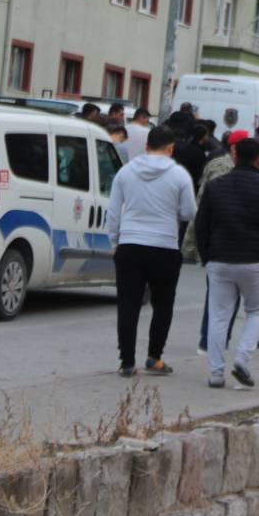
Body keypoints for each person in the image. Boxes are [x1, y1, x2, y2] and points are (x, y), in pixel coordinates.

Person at [195, 138, 259, 388]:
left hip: (220, 259)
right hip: (256, 261)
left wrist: (207, 256)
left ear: (234, 157)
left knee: (218, 316)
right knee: (257, 311)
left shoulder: (215, 187)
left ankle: (215, 373)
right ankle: (242, 358)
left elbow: (201, 225)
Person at [106, 127, 196, 377]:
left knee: (128, 305)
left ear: (146, 146)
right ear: (171, 148)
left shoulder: (125, 172)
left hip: (130, 244)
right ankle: (155, 357)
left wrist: (115, 241)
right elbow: (189, 212)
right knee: (163, 304)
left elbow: (113, 212)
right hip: (165, 246)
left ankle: (126, 361)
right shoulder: (179, 175)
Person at [185, 130, 249, 354]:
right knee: (220, 296)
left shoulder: (235, 166)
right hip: (221, 241)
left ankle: (218, 339)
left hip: (226, 242)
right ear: (234, 148)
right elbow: (203, 205)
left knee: (226, 296)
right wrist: (197, 245)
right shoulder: (222, 167)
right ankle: (209, 340)